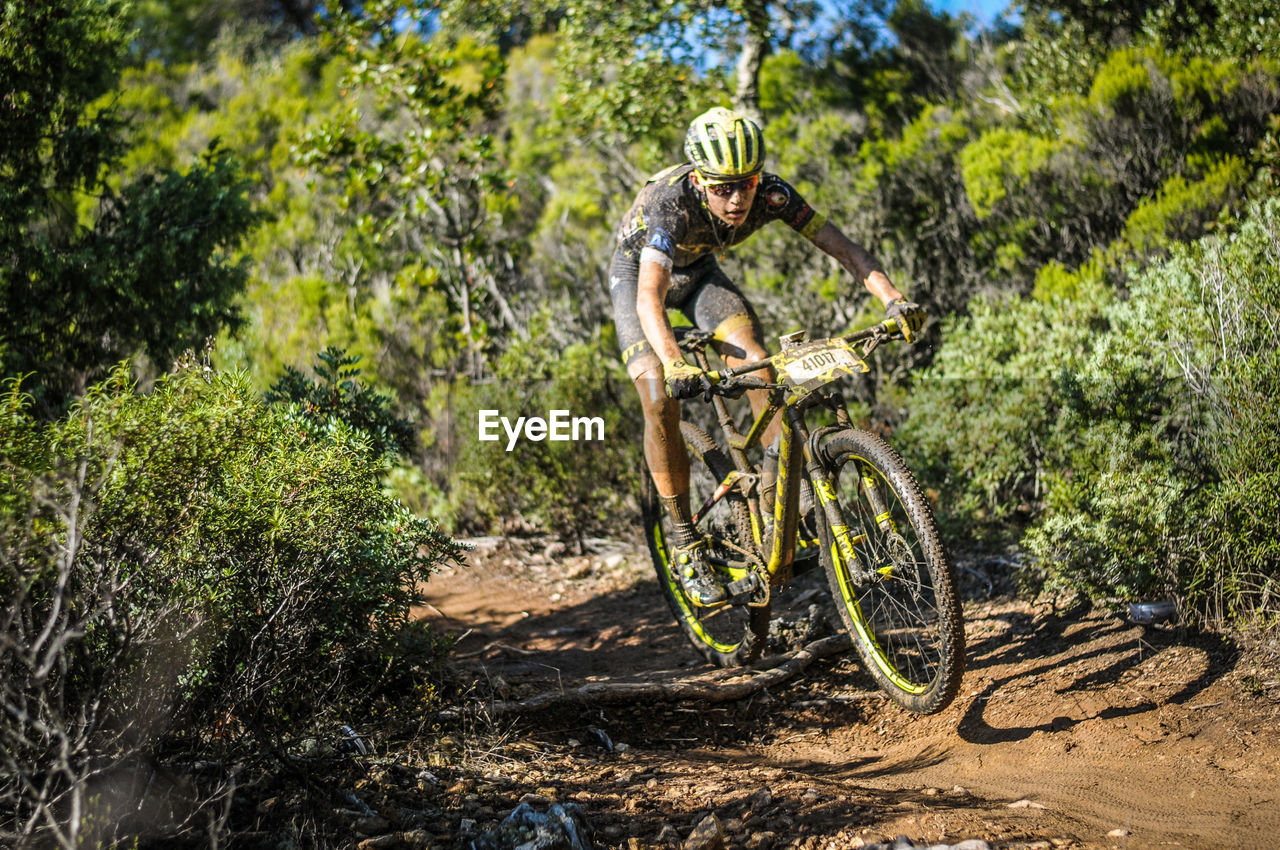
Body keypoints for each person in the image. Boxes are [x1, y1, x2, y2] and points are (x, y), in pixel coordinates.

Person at [609, 107, 925, 607]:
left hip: (699, 276)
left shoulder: (773, 194)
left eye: (747, 184)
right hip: (638, 277)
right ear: (699, 179)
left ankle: (784, 502)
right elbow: (650, 296)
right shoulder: (672, 204)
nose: (737, 200)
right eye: (721, 188)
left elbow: (845, 249)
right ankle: (685, 540)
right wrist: (674, 362)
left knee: (757, 364)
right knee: (655, 391)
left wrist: (893, 299)